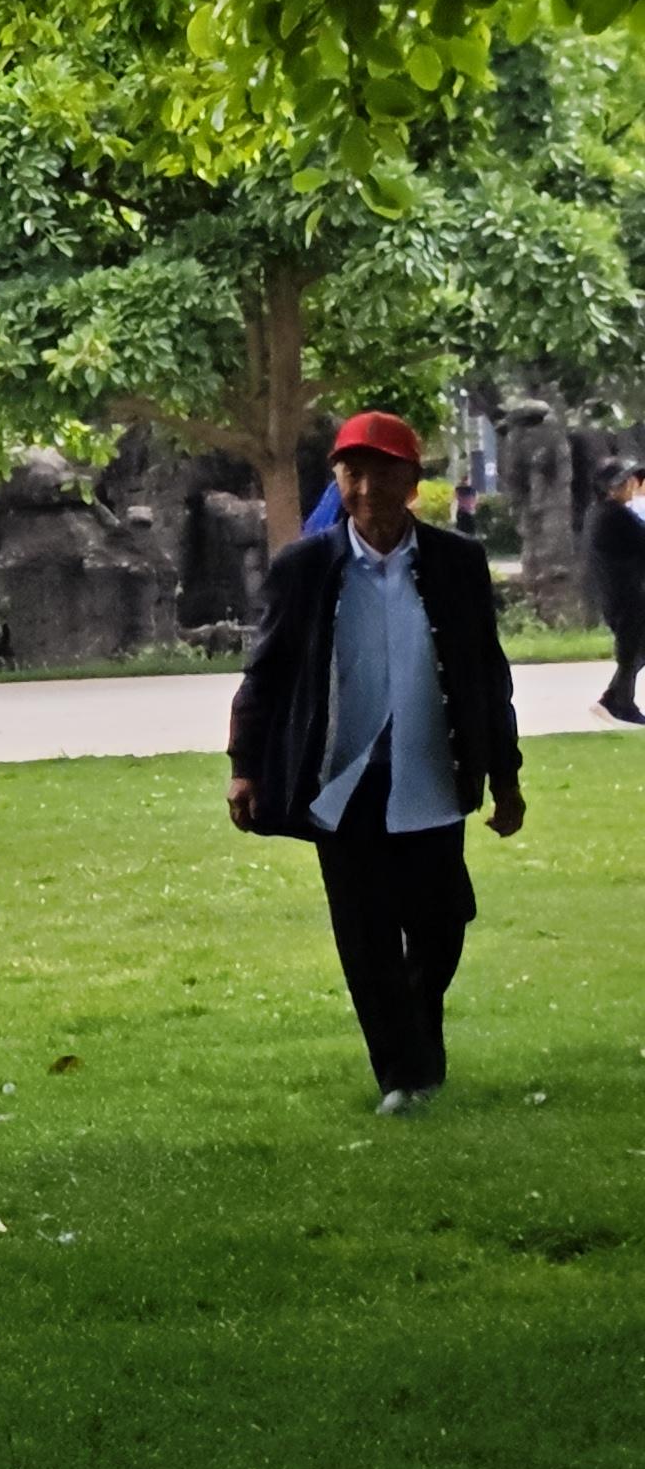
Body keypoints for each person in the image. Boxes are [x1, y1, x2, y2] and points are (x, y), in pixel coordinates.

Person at [226, 413, 527, 1114]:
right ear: (338, 481)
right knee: (366, 937)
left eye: (383, 473)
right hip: (342, 779)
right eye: (352, 474)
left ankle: (417, 1044)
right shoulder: (305, 567)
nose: (366, 489)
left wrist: (505, 775)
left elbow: (487, 673)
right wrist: (245, 765)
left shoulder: (456, 562)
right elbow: (265, 671)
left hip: (432, 773)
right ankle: (403, 1075)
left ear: (412, 482)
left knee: (441, 924)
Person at [590, 458, 645, 725]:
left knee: (636, 648)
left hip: (618, 594)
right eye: (625, 482)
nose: (631, 486)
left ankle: (616, 698)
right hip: (626, 594)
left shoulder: (601, 513)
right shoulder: (616, 515)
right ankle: (620, 703)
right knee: (631, 649)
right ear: (612, 487)